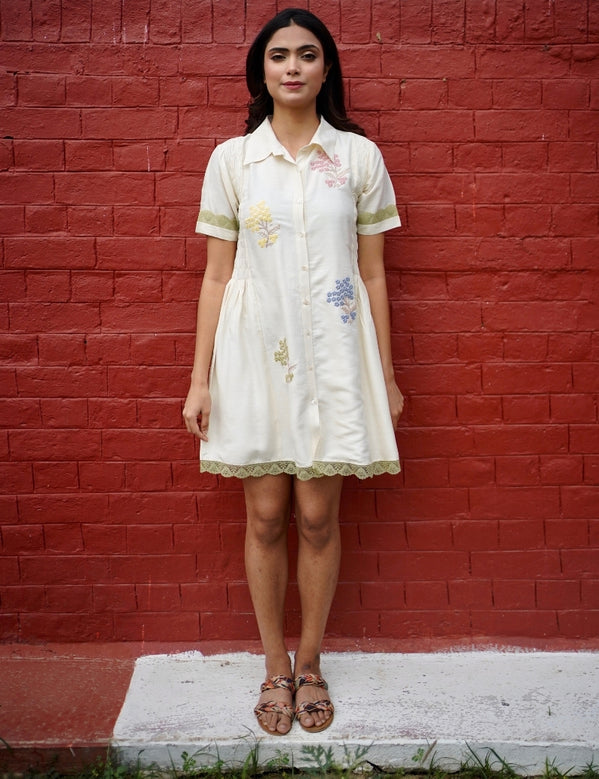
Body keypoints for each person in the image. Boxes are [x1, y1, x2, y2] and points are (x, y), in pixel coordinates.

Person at [183, 7, 404, 736]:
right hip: (253, 356)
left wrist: (387, 373)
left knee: (317, 516)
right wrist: (199, 377)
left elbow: (372, 275)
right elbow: (216, 277)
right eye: (278, 55)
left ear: (326, 68)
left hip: (336, 357)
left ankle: (311, 664)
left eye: (307, 55)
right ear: (261, 70)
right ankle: (272, 665)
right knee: (266, 514)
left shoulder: (359, 159)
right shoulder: (231, 160)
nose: (292, 67)